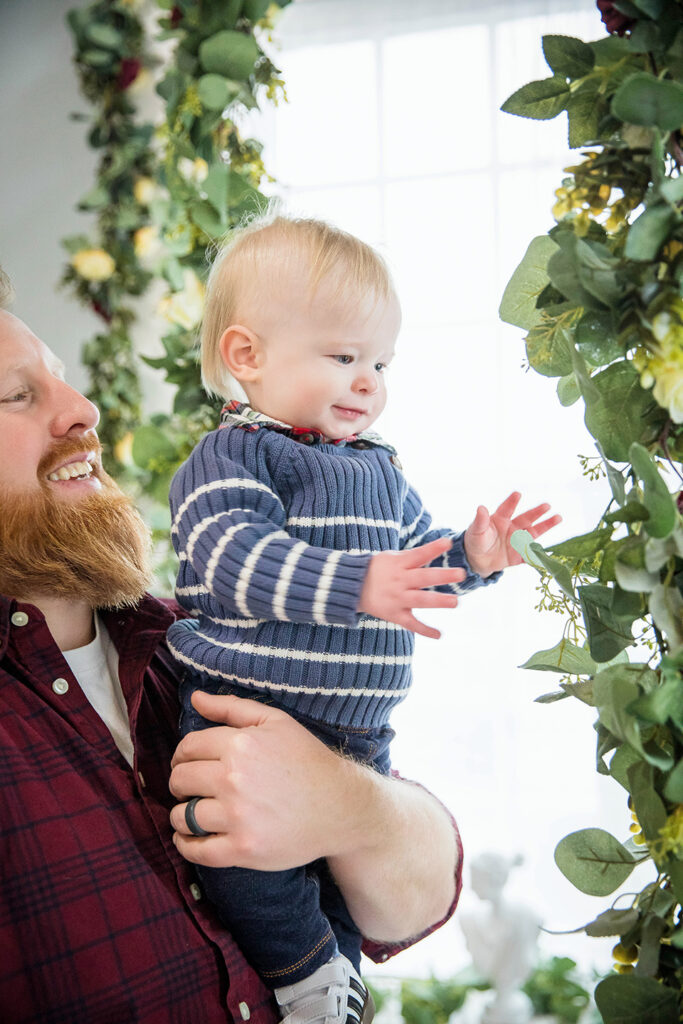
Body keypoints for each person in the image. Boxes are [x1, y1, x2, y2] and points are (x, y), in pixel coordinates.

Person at [0, 297, 465, 1024]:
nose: (82, 409)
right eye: (17, 395)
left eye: (61, 379)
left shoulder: (204, 644)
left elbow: (420, 899)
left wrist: (346, 807)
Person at [167, 213, 560, 1024]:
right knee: (250, 863)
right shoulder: (236, 457)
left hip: (356, 733)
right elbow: (234, 559)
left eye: (379, 362)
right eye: (343, 358)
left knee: (339, 878)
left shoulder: (378, 470)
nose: (368, 382)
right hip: (245, 714)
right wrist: (357, 584)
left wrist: (473, 557)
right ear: (248, 356)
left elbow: (413, 568)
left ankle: (335, 982)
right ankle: (307, 974)